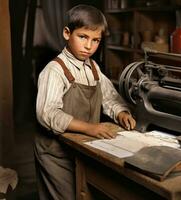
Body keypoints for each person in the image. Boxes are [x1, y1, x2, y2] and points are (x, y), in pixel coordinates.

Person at [34, 4, 136, 200]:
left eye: (96, 40)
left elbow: (110, 98)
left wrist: (121, 113)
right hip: (55, 154)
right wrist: (89, 128)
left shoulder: (94, 68)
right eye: (83, 37)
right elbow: (47, 114)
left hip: (82, 149)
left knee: (86, 193)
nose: (89, 46)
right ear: (67, 33)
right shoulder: (54, 71)